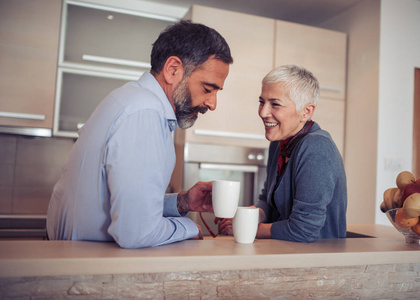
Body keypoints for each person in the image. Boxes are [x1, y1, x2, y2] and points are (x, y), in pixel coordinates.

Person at [46, 21, 233, 248]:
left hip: (78, 256)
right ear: (173, 69)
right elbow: (135, 232)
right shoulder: (145, 112)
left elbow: (127, 203)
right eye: (207, 88)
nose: (212, 104)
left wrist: (182, 203)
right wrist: (189, 228)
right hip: (84, 264)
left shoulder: (133, 100)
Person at [218, 65, 347, 242]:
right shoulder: (279, 143)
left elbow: (304, 229)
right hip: (286, 252)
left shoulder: (317, 147)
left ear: (306, 112)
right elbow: (268, 202)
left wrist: (248, 228)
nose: (263, 112)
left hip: (317, 260)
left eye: (275, 104)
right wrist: (248, 216)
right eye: (262, 102)